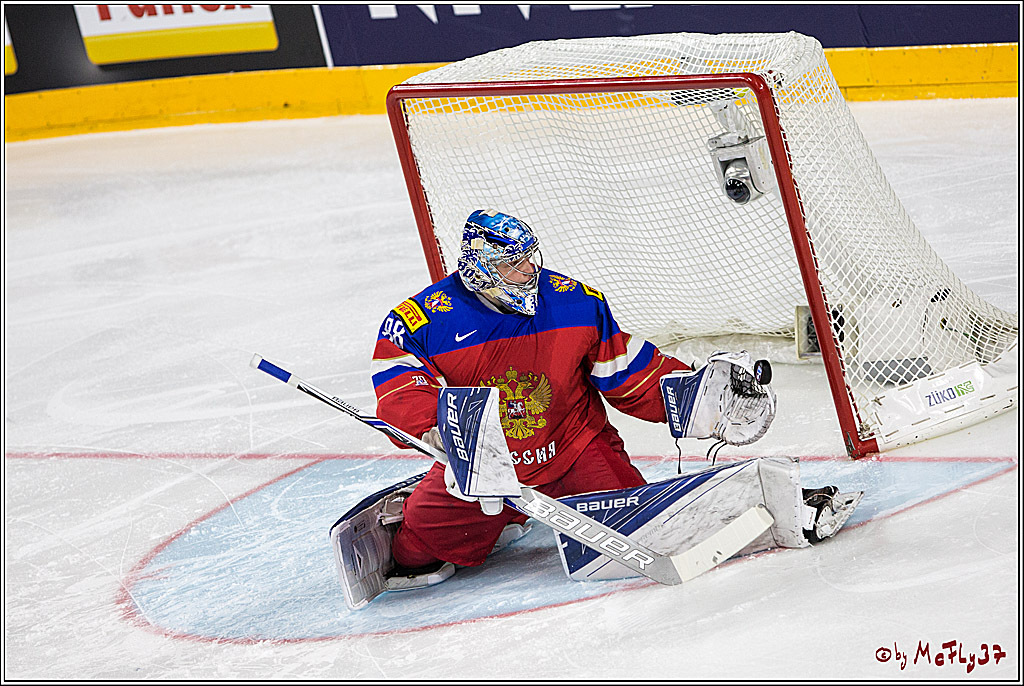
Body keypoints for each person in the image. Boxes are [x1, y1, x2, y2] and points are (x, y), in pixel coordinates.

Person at [370, 208, 693, 575]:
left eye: (528, 258)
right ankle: (445, 511)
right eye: (512, 263)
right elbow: (399, 383)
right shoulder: (421, 319)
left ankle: (514, 514)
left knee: (640, 532)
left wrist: (693, 395)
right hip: (481, 467)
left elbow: (626, 369)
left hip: (573, 448)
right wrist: (432, 427)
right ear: (479, 266)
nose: (527, 271)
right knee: (415, 555)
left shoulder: (575, 301)